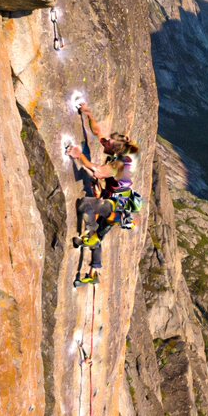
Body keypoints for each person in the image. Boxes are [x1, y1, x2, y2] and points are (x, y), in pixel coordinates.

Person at [66, 101, 139, 285]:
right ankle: (93, 272)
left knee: (84, 205)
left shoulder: (119, 164)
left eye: (112, 144)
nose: (109, 144)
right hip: (114, 204)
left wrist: (78, 155)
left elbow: (98, 171)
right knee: (97, 236)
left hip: (115, 207)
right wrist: (88, 113)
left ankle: (89, 237)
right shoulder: (117, 155)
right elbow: (98, 133)